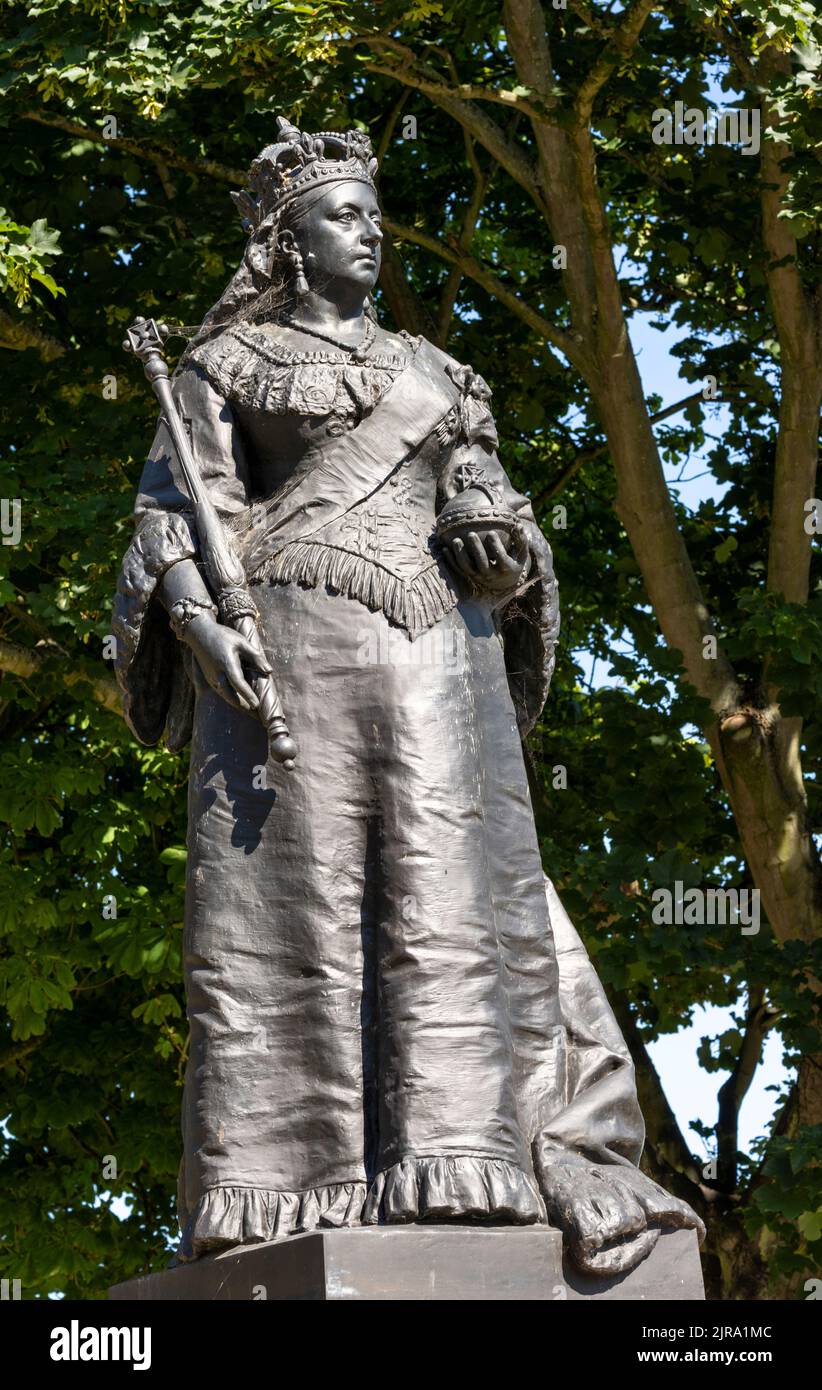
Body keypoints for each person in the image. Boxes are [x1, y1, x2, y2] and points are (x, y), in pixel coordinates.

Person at [112, 118, 702, 1275]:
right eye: (342, 216)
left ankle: (460, 1156)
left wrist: (505, 553)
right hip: (285, 665)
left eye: (375, 216)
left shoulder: (439, 374)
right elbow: (171, 514)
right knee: (295, 918)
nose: (369, 233)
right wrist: (195, 625)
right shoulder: (222, 366)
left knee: (442, 893)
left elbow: (493, 504)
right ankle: (281, 1183)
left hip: (439, 665)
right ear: (284, 241)